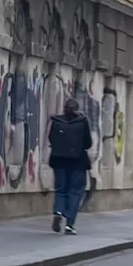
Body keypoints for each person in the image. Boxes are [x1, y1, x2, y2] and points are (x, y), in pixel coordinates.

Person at [48, 97, 94, 233]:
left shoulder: (56, 121)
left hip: (59, 161)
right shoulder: (82, 122)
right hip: (78, 162)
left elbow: (51, 138)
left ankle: (58, 211)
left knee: (60, 189)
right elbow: (88, 143)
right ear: (77, 109)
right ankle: (70, 224)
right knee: (75, 192)